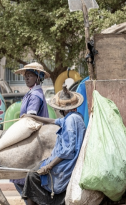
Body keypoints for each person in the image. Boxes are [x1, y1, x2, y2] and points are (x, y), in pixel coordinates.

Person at [21, 85, 86, 205]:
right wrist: (32, 116)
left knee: (32, 176)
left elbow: (68, 150)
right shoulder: (74, 117)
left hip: (66, 164)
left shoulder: (70, 121)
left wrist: (49, 166)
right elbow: (52, 121)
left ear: (63, 109)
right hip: (66, 160)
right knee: (35, 169)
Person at [11, 62, 51, 203]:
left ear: (38, 78)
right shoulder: (31, 93)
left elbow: (30, 119)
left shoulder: (35, 95)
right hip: (34, 138)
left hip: (34, 139)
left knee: (18, 175)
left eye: (30, 75)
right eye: (25, 76)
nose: (26, 78)